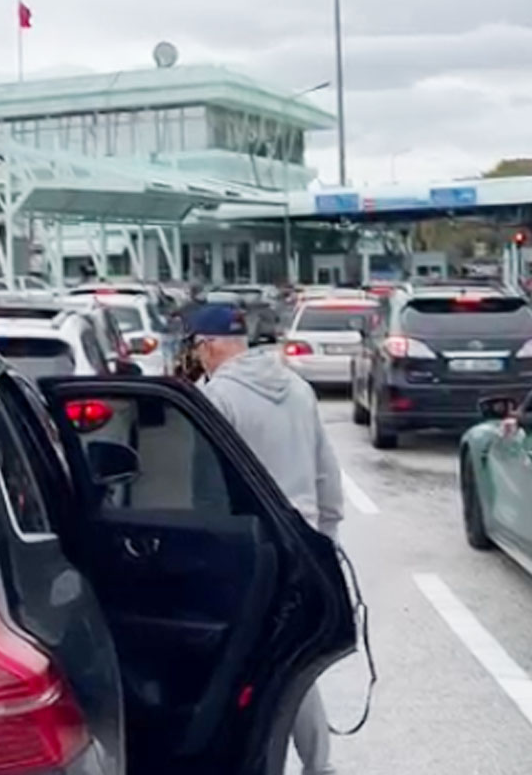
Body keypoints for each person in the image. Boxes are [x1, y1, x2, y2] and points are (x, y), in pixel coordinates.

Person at [185, 303, 344, 775]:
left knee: (250, 664)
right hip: (304, 543)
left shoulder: (215, 399)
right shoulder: (297, 387)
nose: (198, 358)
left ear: (208, 346)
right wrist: (326, 537)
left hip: (250, 552)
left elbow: (207, 491)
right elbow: (326, 472)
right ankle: (319, 765)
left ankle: (264, 762)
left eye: (197, 349)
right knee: (295, 659)